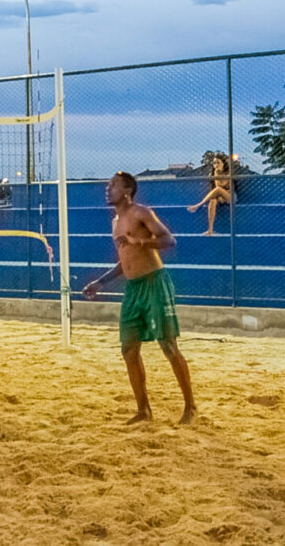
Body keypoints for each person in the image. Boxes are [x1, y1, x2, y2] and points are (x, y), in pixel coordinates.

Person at [83, 172, 197, 424]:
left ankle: (190, 407)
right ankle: (143, 410)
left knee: (168, 346)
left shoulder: (141, 213)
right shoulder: (115, 222)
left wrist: (141, 241)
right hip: (133, 289)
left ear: (127, 191)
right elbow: (125, 261)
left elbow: (169, 239)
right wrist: (100, 282)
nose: (107, 188)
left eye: (113, 185)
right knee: (129, 349)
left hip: (154, 284)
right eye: (108, 184)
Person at [187, 154, 234, 235]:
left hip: (230, 196)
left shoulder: (229, 172)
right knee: (212, 201)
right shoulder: (216, 172)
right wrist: (217, 174)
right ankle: (210, 230)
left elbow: (225, 186)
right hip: (220, 196)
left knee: (218, 190)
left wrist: (220, 179)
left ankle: (198, 205)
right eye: (214, 163)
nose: (216, 165)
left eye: (218, 163)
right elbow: (218, 185)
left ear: (223, 163)